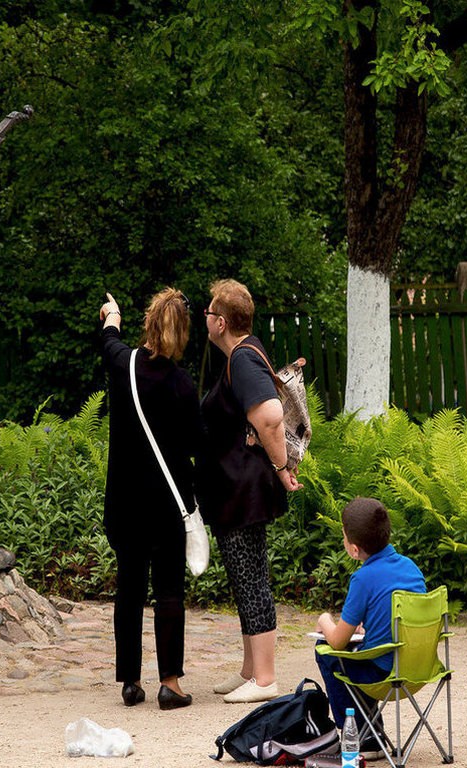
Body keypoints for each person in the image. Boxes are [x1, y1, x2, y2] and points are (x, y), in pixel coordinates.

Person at [198, 278, 302, 704]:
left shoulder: (242, 360)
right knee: (245, 579)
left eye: (208, 311)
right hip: (235, 491)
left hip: (244, 491)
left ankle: (265, 679)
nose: (204, 317)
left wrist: (280, 468)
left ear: (220, 322)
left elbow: (271, 417)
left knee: (252, 579)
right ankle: (249, 670)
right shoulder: (244, 352)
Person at [99, 288, 202, 710]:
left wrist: (112, 315)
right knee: (169, 590)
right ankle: (170, 683)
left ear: (149, 324)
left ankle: (129, 682)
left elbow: (108, 340)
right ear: (182, 335)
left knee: (129, 589)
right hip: (167, 502)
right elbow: (198, 443)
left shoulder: (123, 364)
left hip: (124, 501)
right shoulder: (182, 385)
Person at [315, 497, 426, 760]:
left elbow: (338, 642)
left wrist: (324, 620)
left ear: (354, 549)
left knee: (325, 650)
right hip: (418, 668)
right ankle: (372, 733)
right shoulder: (410, 567)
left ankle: (358, 736)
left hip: (383, 674)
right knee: (364, 648)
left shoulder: (362, 578)